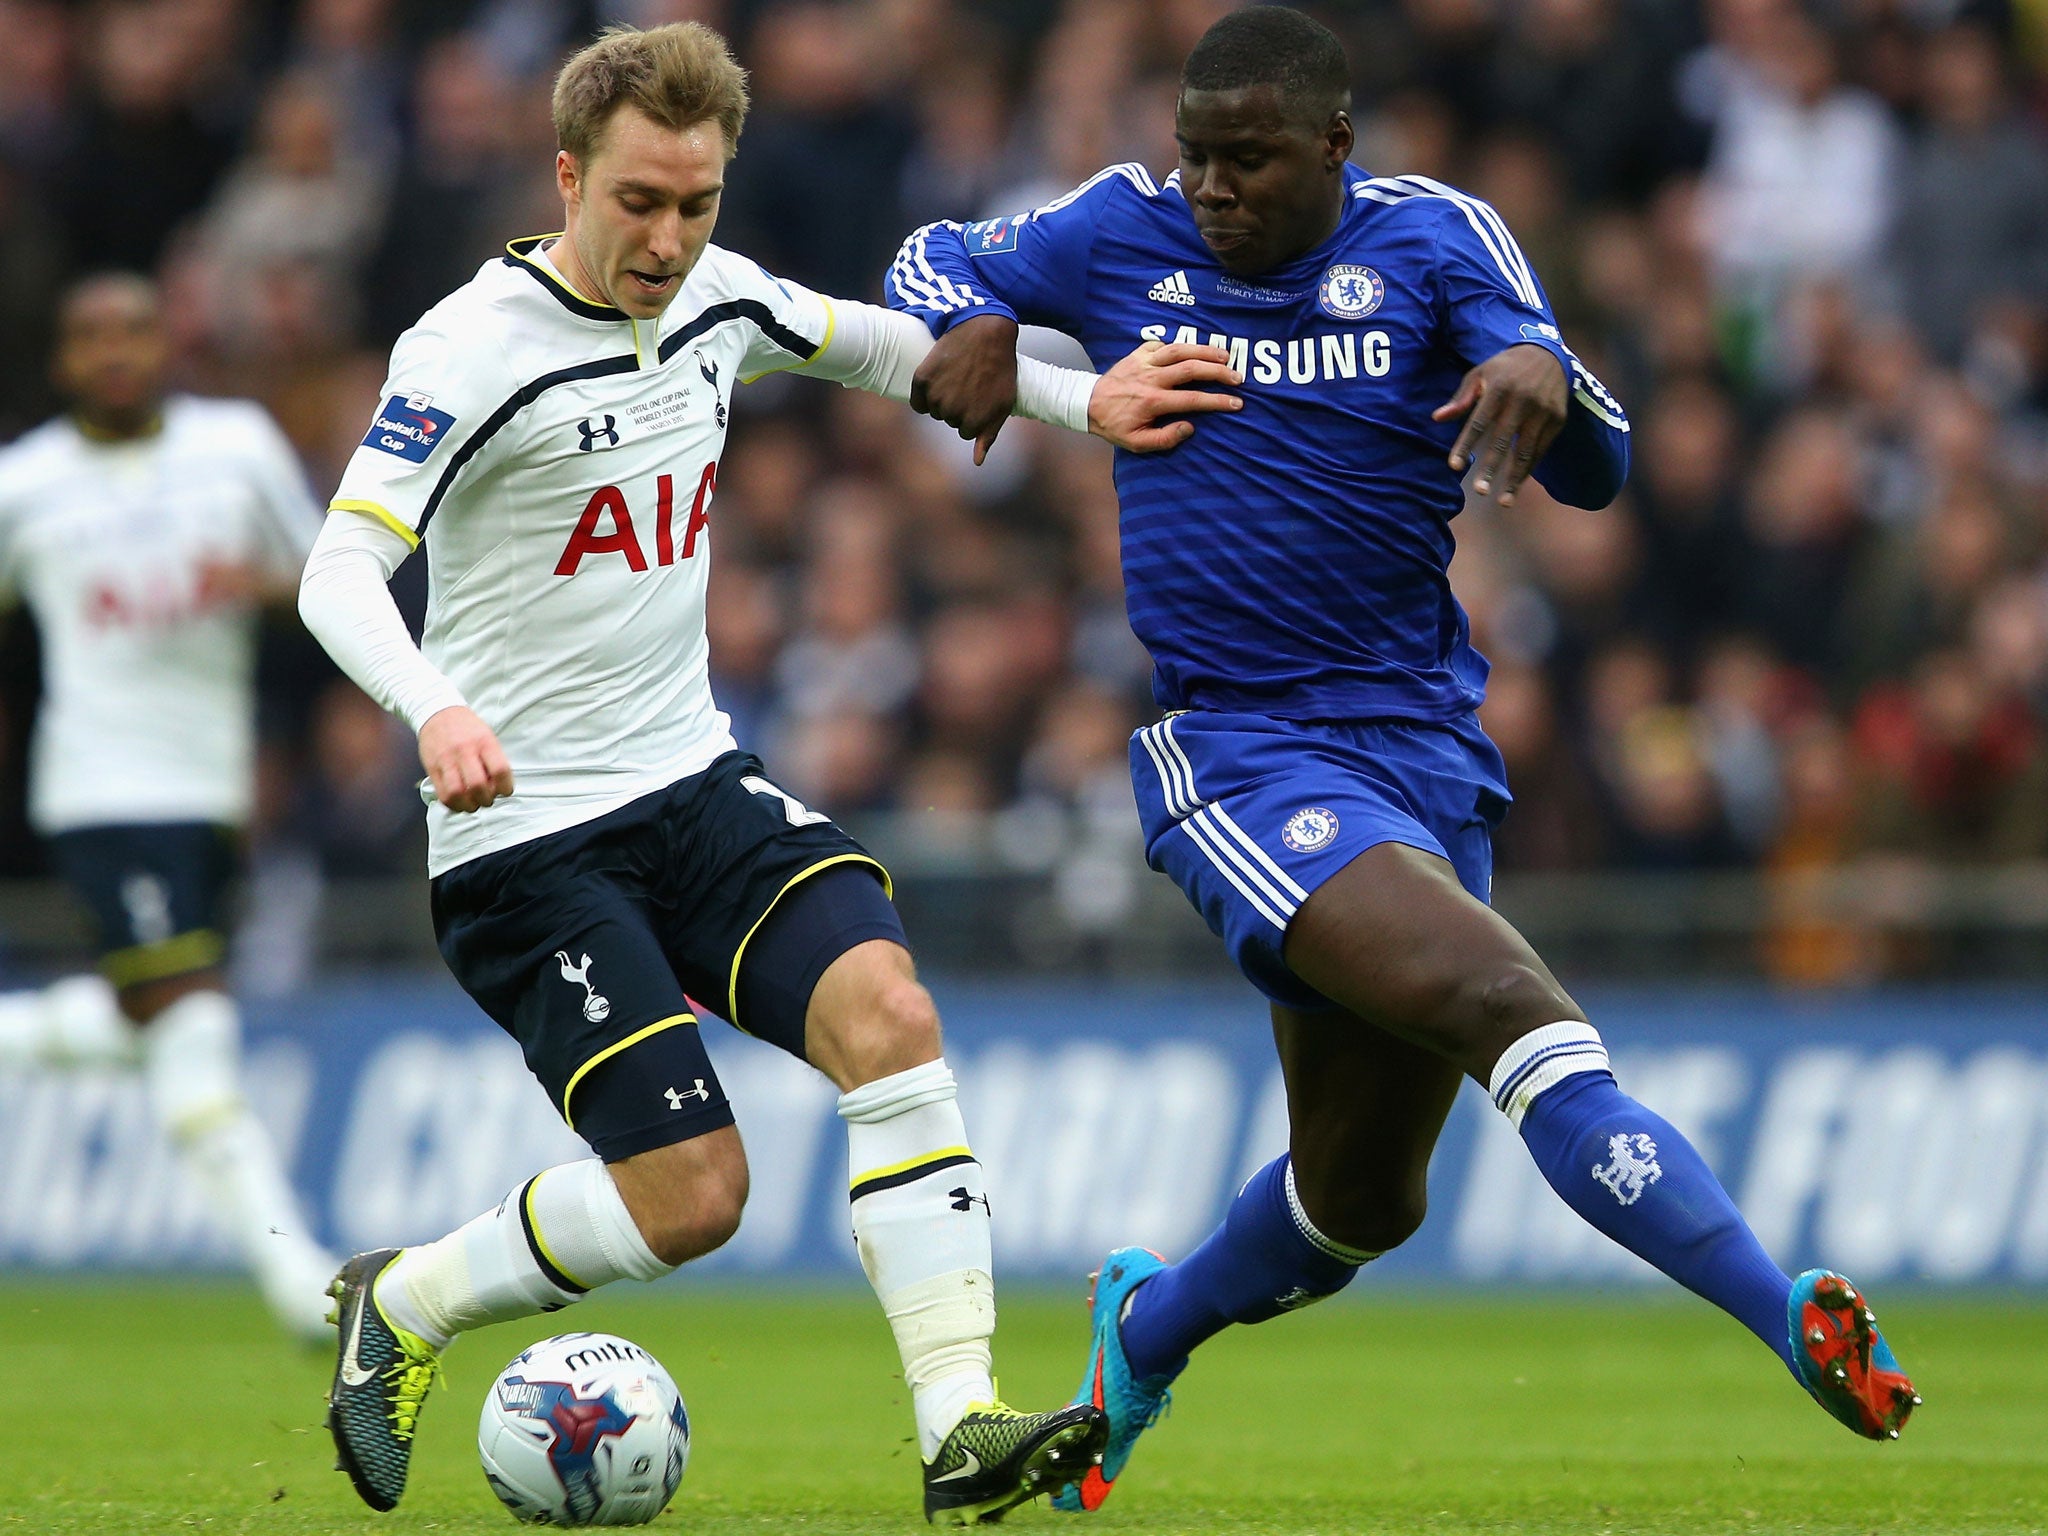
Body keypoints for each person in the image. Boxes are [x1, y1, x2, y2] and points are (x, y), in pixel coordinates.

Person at [887, 5, 1919, 1513]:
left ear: (1334, 148)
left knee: (1361, 1204)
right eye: (1198, 157)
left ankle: (1144, 1330)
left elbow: (1600, 450)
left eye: (1248, 161)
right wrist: (969, 319)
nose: (1214, 189)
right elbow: (927, 256)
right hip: (1238, 752)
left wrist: (1546, 380)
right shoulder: (1118, 228)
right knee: (1511, 1005)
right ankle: (1791, 1315)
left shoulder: (1438, 239)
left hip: (1423, 755)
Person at [296, 21, 1238, 1524]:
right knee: (698, 1200)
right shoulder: (469, 348)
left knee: (891, 1012)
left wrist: (1083, 403)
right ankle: (403, 1301)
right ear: (567, 177)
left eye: (697, 204)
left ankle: (959, 1426)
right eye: (639, 204)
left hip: (690, 785)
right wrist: (432, 707)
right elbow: (339, 571)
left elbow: (884, 349)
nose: (670, 240)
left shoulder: (721, 298)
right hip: (525, 839)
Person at [0, 273, 336, 1341]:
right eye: (91, 334)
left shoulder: (235, 448)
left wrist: (265, 590)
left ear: (166, 345)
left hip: (211, 792)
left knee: (162, 1022)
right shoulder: (25, 483)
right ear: (62, 362)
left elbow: (330, 571)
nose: (115, 351)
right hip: (99, 790)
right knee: (191, 1021)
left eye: (134, 331)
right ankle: (303, 1288)